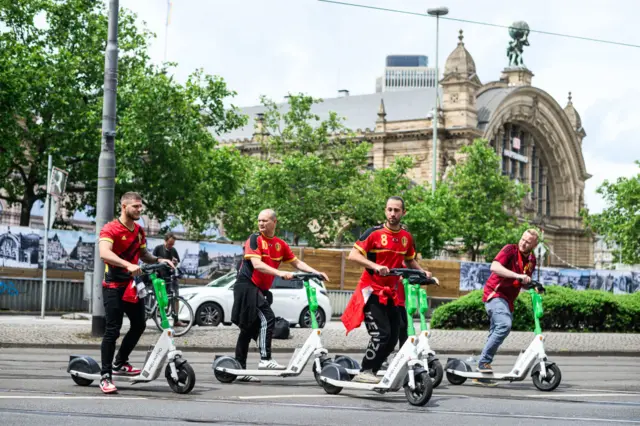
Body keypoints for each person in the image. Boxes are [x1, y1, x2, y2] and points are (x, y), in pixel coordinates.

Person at [231, 209, 329, 382]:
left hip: (259, 289)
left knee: (247, 329)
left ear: (274, 222)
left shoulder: (280, 244)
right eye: (259, 220)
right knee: (267, 318)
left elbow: (296, 262)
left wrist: (316, 272)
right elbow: (257, 264)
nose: (261, 223)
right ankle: (265, 360)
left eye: (265, 220)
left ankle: (239, 369)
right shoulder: (254, 239)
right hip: (247, 286)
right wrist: (280, 273)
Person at [341, 196, 431, 384]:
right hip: (372, 291)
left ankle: (374, 369)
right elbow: (353, 255)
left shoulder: (406, 237)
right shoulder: (373, 233)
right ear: (385, 211)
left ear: (403, 212)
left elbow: (409, 260)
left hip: (392, 293)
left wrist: (423, 273)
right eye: (389, 209)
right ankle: (365, 370)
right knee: (382, 334)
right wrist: (374, 266)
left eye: (397, 210)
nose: (392, 213)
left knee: (394, 335)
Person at [97, 192, 174, 394]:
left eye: (141, 207)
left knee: (139, 324)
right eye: (135, 207)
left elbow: (143, 254)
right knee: (113, 330)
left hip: (132, 286)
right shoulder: (110, 228)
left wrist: (159, 260)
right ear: (124, 206)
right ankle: (105, 376)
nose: (139, 210)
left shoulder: (139, 230)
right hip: (113, 286)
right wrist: (127, 265)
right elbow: (104, 253)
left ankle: (120, 362)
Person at [477, 229, 539, 379]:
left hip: (508, 301)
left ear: (534, 245)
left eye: (528, 242)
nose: (523, 243)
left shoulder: (531, 260)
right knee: (504, 325)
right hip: (495, 294)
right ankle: (484, 362)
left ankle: (482, 374)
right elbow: (495, 267)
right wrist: (517, 275)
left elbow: (522, 281)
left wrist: (532, 285)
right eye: (522, 239)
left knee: (496, 331)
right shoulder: (510, 249)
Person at [153, 233, 185, 326]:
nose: (171, 246)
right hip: (161, 278)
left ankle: (176, 320)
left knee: (176, 298)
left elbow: (176, 263)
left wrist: (174, 263)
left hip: (171, 277)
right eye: (170, 243)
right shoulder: (158, 248)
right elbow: (153, 261)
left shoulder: (173, 250)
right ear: (165, 241)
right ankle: (163, 320)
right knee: (163, 299)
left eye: (173, 244)